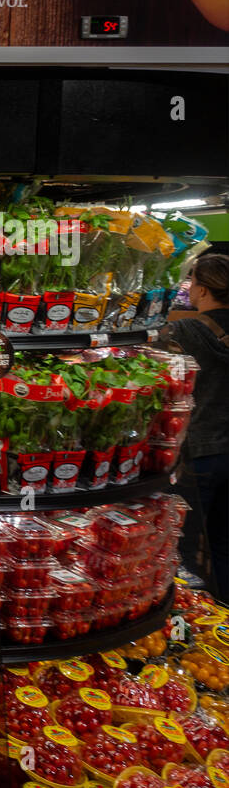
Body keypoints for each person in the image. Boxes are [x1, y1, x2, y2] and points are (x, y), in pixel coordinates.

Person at [168, 252, 229, 595]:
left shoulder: (185, 330)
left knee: (184, 549)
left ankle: (189, 623)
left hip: (199, 453)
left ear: (203, 290)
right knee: (224, 546)